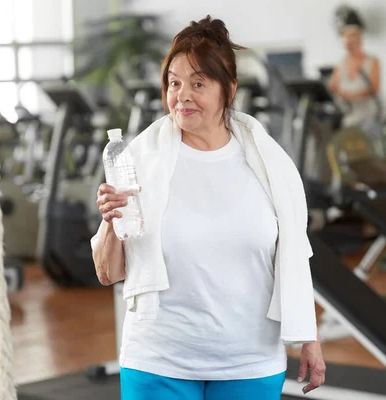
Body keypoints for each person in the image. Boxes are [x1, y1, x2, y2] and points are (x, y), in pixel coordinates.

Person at [91, 16, 325, 400]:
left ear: (229, 90)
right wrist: (109, 222)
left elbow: (294, 257)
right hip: (158, 358)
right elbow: (108, 273)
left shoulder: (269, 163)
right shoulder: (138, 160)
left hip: (250, 361)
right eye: (174, 82)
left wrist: (308, 337)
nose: (182, 95)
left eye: (198, 83)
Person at [328, 8, 382, 135]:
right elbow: (331, 88)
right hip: (347, 115)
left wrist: (345, 95)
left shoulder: (372, 62)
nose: (351, 40)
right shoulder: (341, 64)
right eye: (347, 36)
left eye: (354, 35)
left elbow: (373, 90)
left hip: (367, 117)